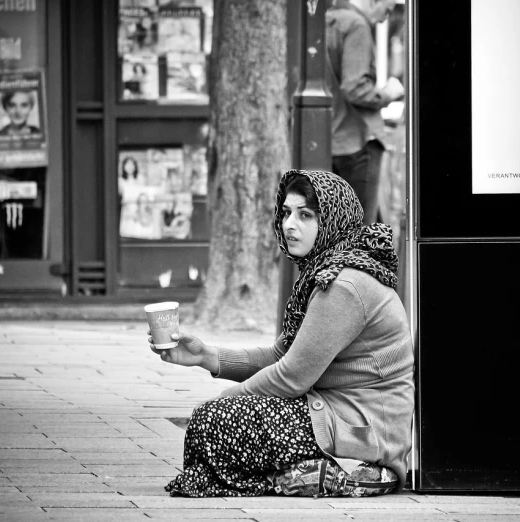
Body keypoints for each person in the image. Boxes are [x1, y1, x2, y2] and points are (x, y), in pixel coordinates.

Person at [148, 169, 415, 497]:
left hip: (366, 433)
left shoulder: (344, 284)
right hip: (336, 414)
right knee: (215, 421)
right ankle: (300, 475)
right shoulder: (326, 272)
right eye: (286, 213)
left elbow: (292, 376)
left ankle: (326, 475)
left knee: (214, 420)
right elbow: (283, 355)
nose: (289, 224)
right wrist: (207, 357)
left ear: (333, 219)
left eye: (305, 215)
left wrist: (227, 400)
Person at [326, 0, 405, 224]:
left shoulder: (327, 21)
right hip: (359, 141)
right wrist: (388, 93)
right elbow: (354, 88)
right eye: (387, 10)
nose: (384, 19)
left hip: (332, 140)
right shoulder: (357, 25)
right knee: (360, 232)